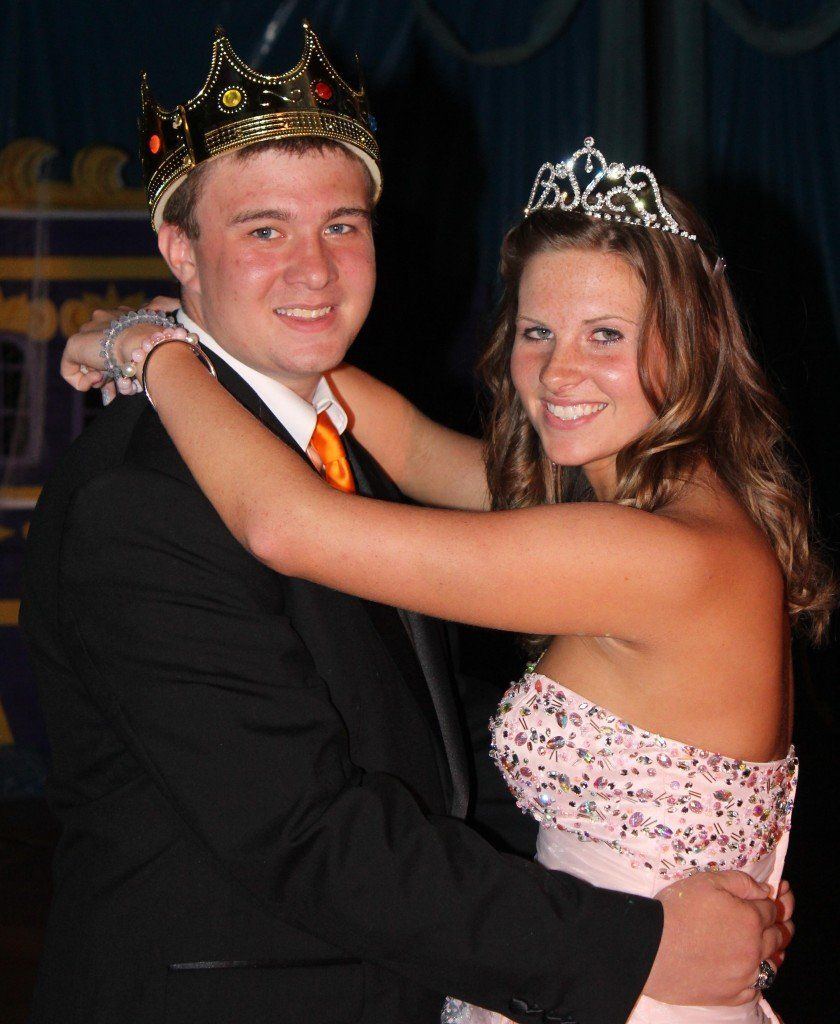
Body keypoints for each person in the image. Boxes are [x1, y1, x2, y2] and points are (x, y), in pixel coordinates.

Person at [29, 26, 792, 1024]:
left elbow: (292, 527)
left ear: (689, 344)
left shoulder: (632, 539)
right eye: (265, 230)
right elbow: (311, 828)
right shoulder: (143, 500)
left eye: (342, 225)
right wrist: (160, 334)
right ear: (179, 248)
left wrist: (162, 342)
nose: (562, 373)